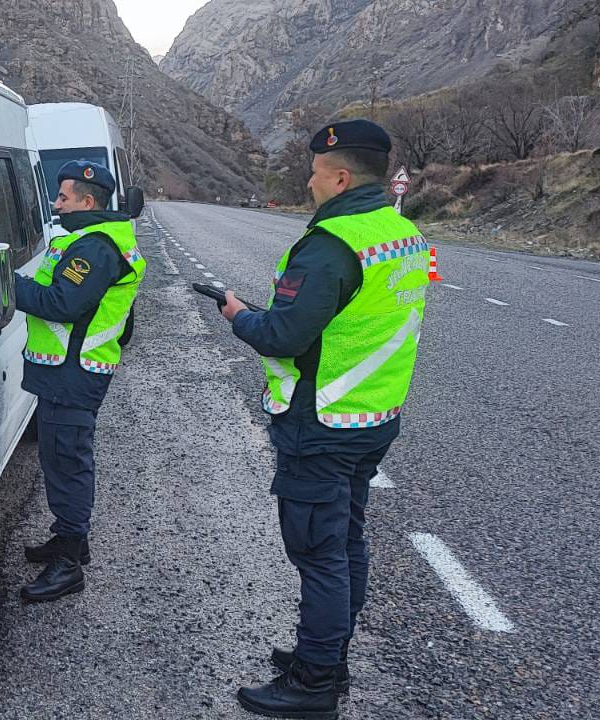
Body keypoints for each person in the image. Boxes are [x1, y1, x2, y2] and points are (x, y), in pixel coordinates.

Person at [216, 119, 430, 719]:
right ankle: (328, 655)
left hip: (322, 424)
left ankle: (314, 685)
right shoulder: (401, 232)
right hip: (372, 418)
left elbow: (283, 335)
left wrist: (238, 314)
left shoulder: (331, 244)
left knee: (319, 553)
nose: (309, 184)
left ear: (339, 176)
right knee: (346, 542)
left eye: (313, 174)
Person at [13, 160, 147, 603]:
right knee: (58, 458)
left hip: (75, 374)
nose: (56, 204)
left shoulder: (95, 248)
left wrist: (5, 284)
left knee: (68, 463)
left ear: (88, 202)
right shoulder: (91, 241)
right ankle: (69, 539)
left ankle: (68, 563)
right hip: (67, 372)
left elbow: (61, 302)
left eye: (63, 197)